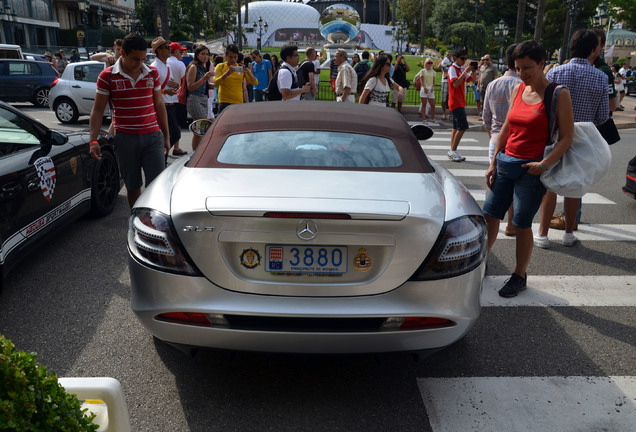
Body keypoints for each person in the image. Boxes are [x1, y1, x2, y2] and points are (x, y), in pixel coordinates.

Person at [483, 40, 574, 298]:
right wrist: (493, 161)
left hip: (532, 170)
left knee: (522, 223)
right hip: (505, 163)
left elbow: (567, 137)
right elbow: (507, 129)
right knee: (490, 215)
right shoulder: (518, 89)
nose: (522, 73)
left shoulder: (558, 94)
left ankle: (519, 275)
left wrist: (544, 164)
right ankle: (482, 262)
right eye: (517, 68)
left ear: (542, 64)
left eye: (527, 68)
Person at [535, 29, 609, 248]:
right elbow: (603, 116)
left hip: (556, 134)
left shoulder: (556, 73)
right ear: (594, 49)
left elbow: (543, 105)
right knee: (575, 185)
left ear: (570, 46)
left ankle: (542, 233)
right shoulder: (601, 76)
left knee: (550, 184)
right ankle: (568, 233)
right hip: (584, 137)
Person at [89, 33, 170, 208]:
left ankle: (151, 223)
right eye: (135, 59)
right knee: (133, 187)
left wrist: (166, 136)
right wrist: (93, 140)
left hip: (153, 137)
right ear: (123, 54)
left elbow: (159, 105)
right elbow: (97, 110)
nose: (139, 64)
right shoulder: (107, 76)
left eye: (143, 59)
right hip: (125, 139)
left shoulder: (152, 73)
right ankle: (136, 218)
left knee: (156, 186)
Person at [482, 44, 522, 237]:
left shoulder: (493, 84)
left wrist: (493, 136)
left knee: (493, 182)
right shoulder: (522, 85)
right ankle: (512, 224)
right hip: (517, 139)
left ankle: (489, 223)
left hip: (496, 136)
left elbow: (486, 117)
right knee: (514, 183)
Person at [151, 37, 186, 160]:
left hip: (171, 103)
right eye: (167, 47)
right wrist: (165, 91)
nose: (170, 49)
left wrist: (176, 86)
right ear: (159, 50)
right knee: (174, 134)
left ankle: (161, 156)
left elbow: (172, 84)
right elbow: (150, 90)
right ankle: (160, 156)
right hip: (163, 105)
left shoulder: (167, 67)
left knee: (173, 134)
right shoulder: (154, 67)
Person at [213, 44, 258, 113]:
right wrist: (227, 73)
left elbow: (255, 82)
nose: (233, 60)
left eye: (235, 57)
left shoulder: (240, 68)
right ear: (226, 56)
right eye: (230, 57)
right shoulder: (220, 66)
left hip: (238, 103)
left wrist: (247, 71)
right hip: (224, 103)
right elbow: (215, 83)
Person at [447, 48, 474, 162]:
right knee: (463, 127)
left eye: (465, 58)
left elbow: (471, 80)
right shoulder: (452, 69)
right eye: (462, 58)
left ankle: (452, 150)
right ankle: (453, 150)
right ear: (455, 58)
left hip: (460, 101)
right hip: (455, 102)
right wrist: (465, 72)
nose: (464, 61)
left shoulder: (462, 68)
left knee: (455, 127)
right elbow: (456, 84)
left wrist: (474, 70)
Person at [187, 45, 216, 150]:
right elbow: (190, 87)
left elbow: (203, 85)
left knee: (199, 129)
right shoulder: (193, 67)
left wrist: (211, 85)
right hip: (195, 98)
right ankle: (196, 153)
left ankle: (197, 152)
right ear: (197, 55)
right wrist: (204, 78)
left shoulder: (203, 67)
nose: (205, 56)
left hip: (203, 98)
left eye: (207, 54)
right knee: (200, 128)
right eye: (202, 54)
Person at [167, 42, 188, 131]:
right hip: (177, 97)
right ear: (175, 52)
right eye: (180, 52)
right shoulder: (180, 64)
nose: (182, 54)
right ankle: (176, 145)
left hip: (164, 98)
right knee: (178, 124)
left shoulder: (164, 62)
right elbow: (184, 82)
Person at [413, 58, 437, 125]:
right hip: (424, 89)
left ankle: (432, 118)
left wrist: (433, 87)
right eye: (428, 63)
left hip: (431, 89)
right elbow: (421, 80)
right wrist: (424, 88)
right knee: (424, 105)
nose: (430, 64)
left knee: (433, 105)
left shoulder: (433, 72)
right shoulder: (423, 71)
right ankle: (424, 119)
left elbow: (434, 81)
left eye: (431, 63)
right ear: (425, 64)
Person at [440, 51, 453, 120]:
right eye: (447, 55)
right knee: (443, 99)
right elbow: (439, 67)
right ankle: (444, 113)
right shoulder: (444, 61)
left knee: (451, 98)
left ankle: (451, 114)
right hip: (445, 81)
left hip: (451, 82)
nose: (449, 56)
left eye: (450, 55)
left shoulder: (453, 63)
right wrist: (444, 61)